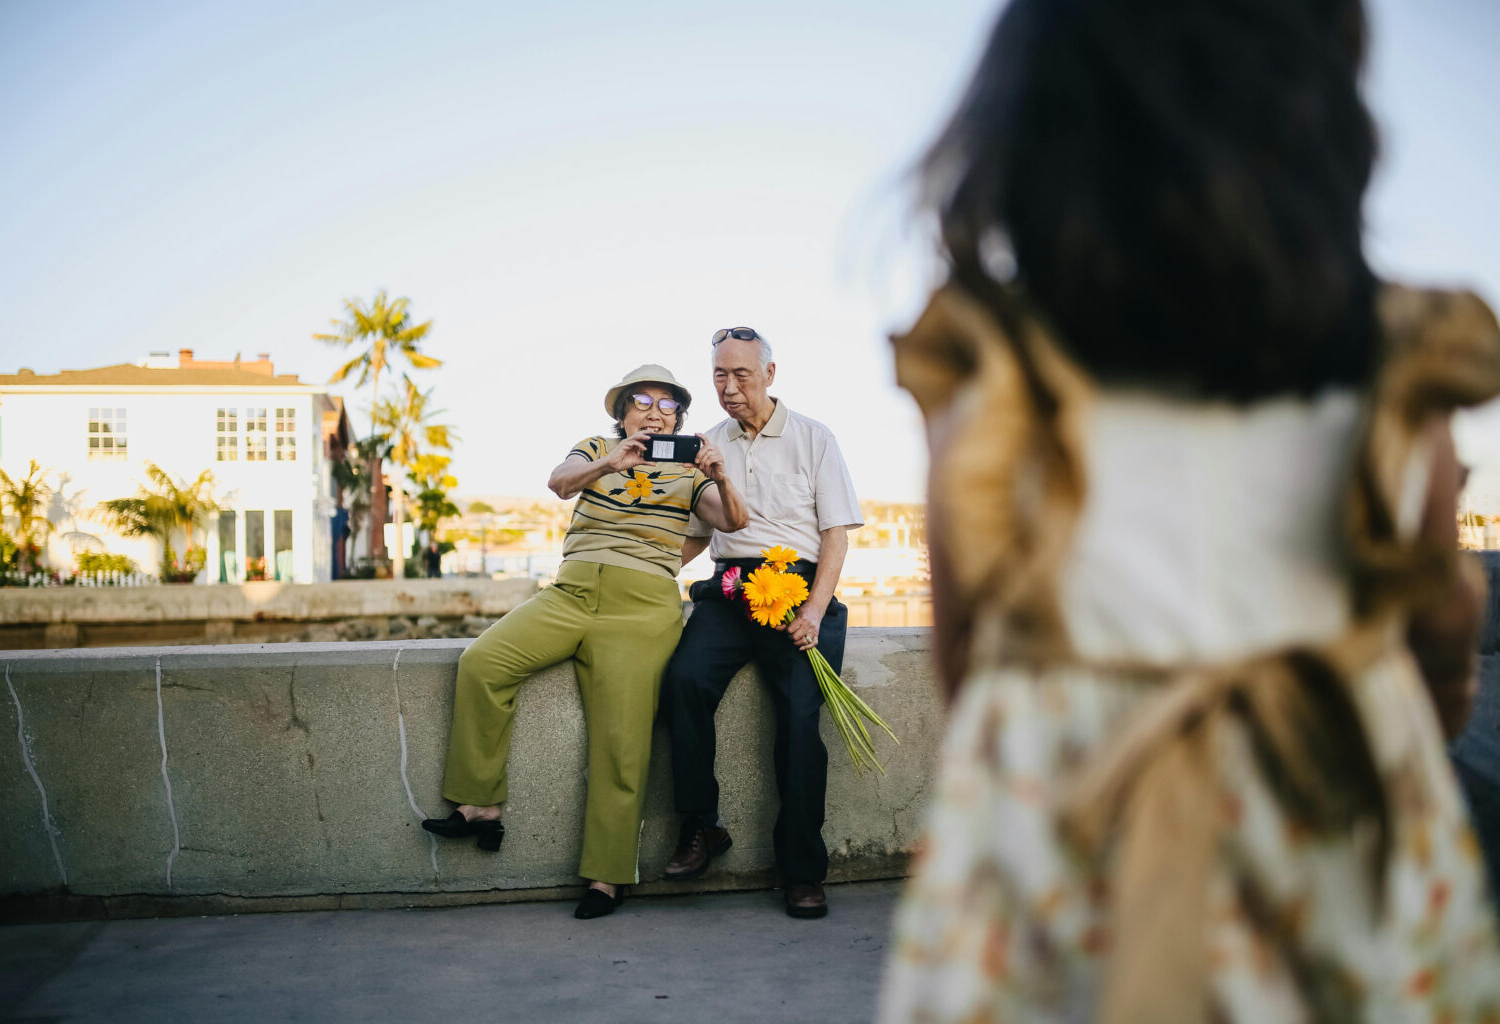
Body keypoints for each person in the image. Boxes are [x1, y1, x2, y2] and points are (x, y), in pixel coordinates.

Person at [878, 0, 1500, 1020]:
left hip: (1065, 845)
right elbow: (1441, 619)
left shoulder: (994, 375)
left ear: (1032, 144)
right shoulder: (1397, 362)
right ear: (1319, 136)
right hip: (1338, 819)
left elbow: (968, 649)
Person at [422, 364, 748, 920]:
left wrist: (718, 474)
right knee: (483, 662)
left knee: (622, 741)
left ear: (679, 417)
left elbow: (734, 523)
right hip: (570, 591)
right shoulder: (596, 446)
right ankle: (479, 804)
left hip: (642, 608)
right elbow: (559, 482)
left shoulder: (691, 468)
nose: (654, 410)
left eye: (667, 404)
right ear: (621, 412)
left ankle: (606, 875)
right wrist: (610, 462)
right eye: (642, 400)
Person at [660, 327, 864, 919]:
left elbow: (835, 535)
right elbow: (697, 539)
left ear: (770, 374)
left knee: (801, 720)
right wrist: (637, 568)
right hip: (728, 591)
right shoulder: (707, 444)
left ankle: (801, 869)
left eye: (741, 375)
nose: (728, 388)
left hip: (799, 588)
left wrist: (816, 611)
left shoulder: (813, 438)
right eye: (719, 376)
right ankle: (702, 826)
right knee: (683, 683)